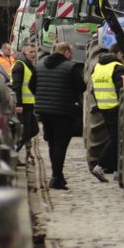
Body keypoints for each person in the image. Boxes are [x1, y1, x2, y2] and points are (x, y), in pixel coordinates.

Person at [34, 42, 85, 190]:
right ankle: (56, 177)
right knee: (60, 145)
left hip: (45, 111)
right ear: (67, 52)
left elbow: (32, 85)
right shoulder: (70, 67)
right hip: (64, 111)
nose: (73, 55)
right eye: (71, 53)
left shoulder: (39, 65)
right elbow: (81, 87)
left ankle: (58, 176)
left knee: (52, 143)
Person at [89, 44, 124, 182]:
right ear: (119, 54)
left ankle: (117, 170)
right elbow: (121, 90)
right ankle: (100, 166)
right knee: (116, 138)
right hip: (115, 106)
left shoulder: (97, 67)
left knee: (114, 137)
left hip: (103, 106)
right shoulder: (117, 67)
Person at [11, 44, 39, 163]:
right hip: (22, 105)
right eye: (31, 52)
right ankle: (12, 156)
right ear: (24, 52)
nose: (33, 54)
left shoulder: (29, 65)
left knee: (34, 129)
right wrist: (18, 105)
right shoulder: (19, 65)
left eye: (34, 52)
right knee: (24, 132)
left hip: (28, 104)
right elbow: (16, 86)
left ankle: (13, 154)